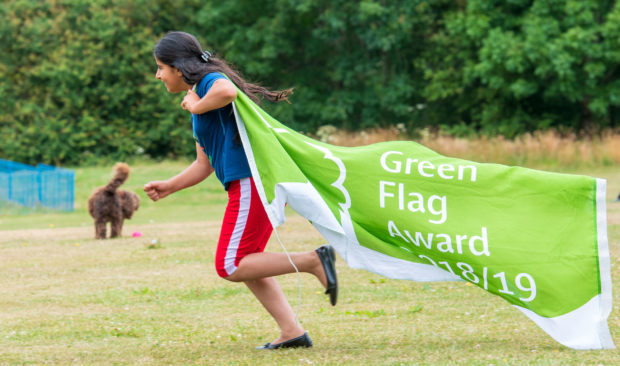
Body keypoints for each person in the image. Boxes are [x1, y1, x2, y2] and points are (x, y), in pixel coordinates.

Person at [144, 31, 337, 350]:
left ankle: (313, 260)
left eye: (160, 67)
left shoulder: (207, 83)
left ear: (178, 67)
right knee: (247, 261)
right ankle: (292, 332)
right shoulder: (199, 98)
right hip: (245, 184)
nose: (157, 74)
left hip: (250, 182)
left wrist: (195, 107)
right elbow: (202, 166)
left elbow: (227, 90)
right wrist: (168, 187)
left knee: (231, 264)